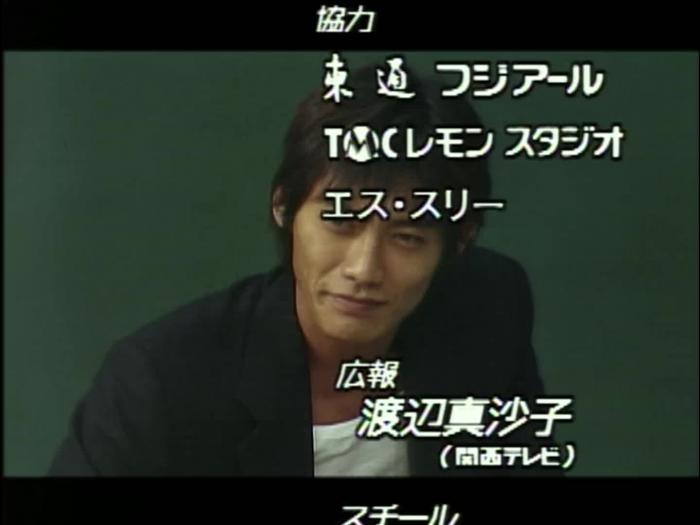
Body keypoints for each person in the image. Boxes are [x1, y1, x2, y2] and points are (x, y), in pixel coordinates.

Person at [48, 64, 554, 476]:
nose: (364, 269)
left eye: (407, 237)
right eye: (340, 220)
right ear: (284, 208)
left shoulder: (490, 307)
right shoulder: (161, 383)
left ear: (459, 241)